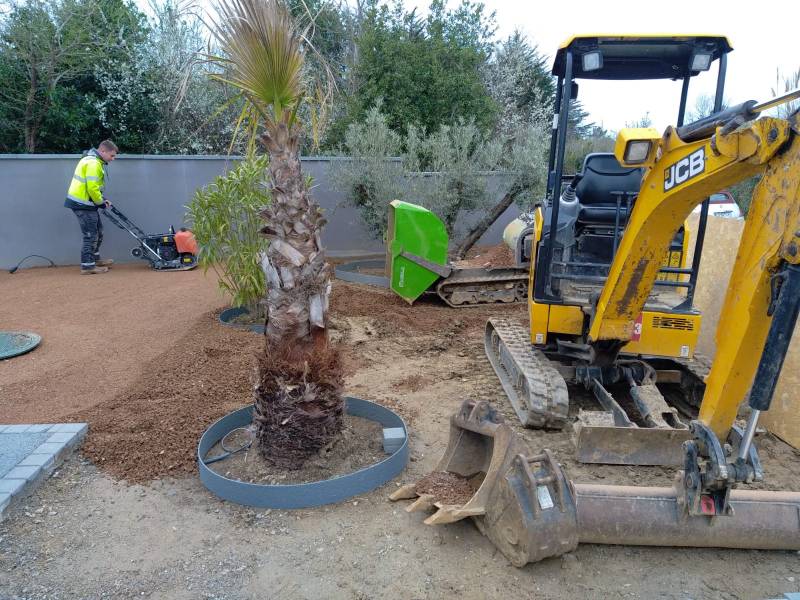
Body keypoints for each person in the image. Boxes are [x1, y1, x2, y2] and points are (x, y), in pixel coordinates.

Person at [64, 140, 118, 274]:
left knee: (98, 231)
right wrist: (100, 202)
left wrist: (103, 200)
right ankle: (88, 266)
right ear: (103, 151)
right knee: (90, 235)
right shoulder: (93, 163)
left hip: (86, 202)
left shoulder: (94, 161)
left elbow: (93, 188)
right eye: (112, 155)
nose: (113, 158)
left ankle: (95, 260)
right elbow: (92, 188)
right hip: (82, 204)